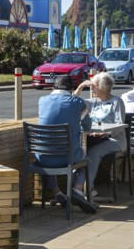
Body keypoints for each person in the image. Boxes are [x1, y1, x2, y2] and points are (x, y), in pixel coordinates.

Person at [37, 74, 96, 214]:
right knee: (86, 158)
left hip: (42, 157)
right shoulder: (77, 102)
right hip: (67, 157)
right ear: (72, 89)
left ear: (52, 87)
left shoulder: (42, 100)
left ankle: (58, 194)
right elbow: (87, 126)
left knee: (48, 150)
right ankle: (77, 190)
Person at [73, 72, 126, 197]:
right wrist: (80, 87)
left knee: (93, 152)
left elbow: (120, 125)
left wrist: (104, 134)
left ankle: (87, 189)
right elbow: (72, 102)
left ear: (103, 87)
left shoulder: (116, 102)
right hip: (95, 138)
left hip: (115, 140)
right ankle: (77, 188)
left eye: (93, 86)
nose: (91, 88)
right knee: (80, 151)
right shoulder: (93, 102)